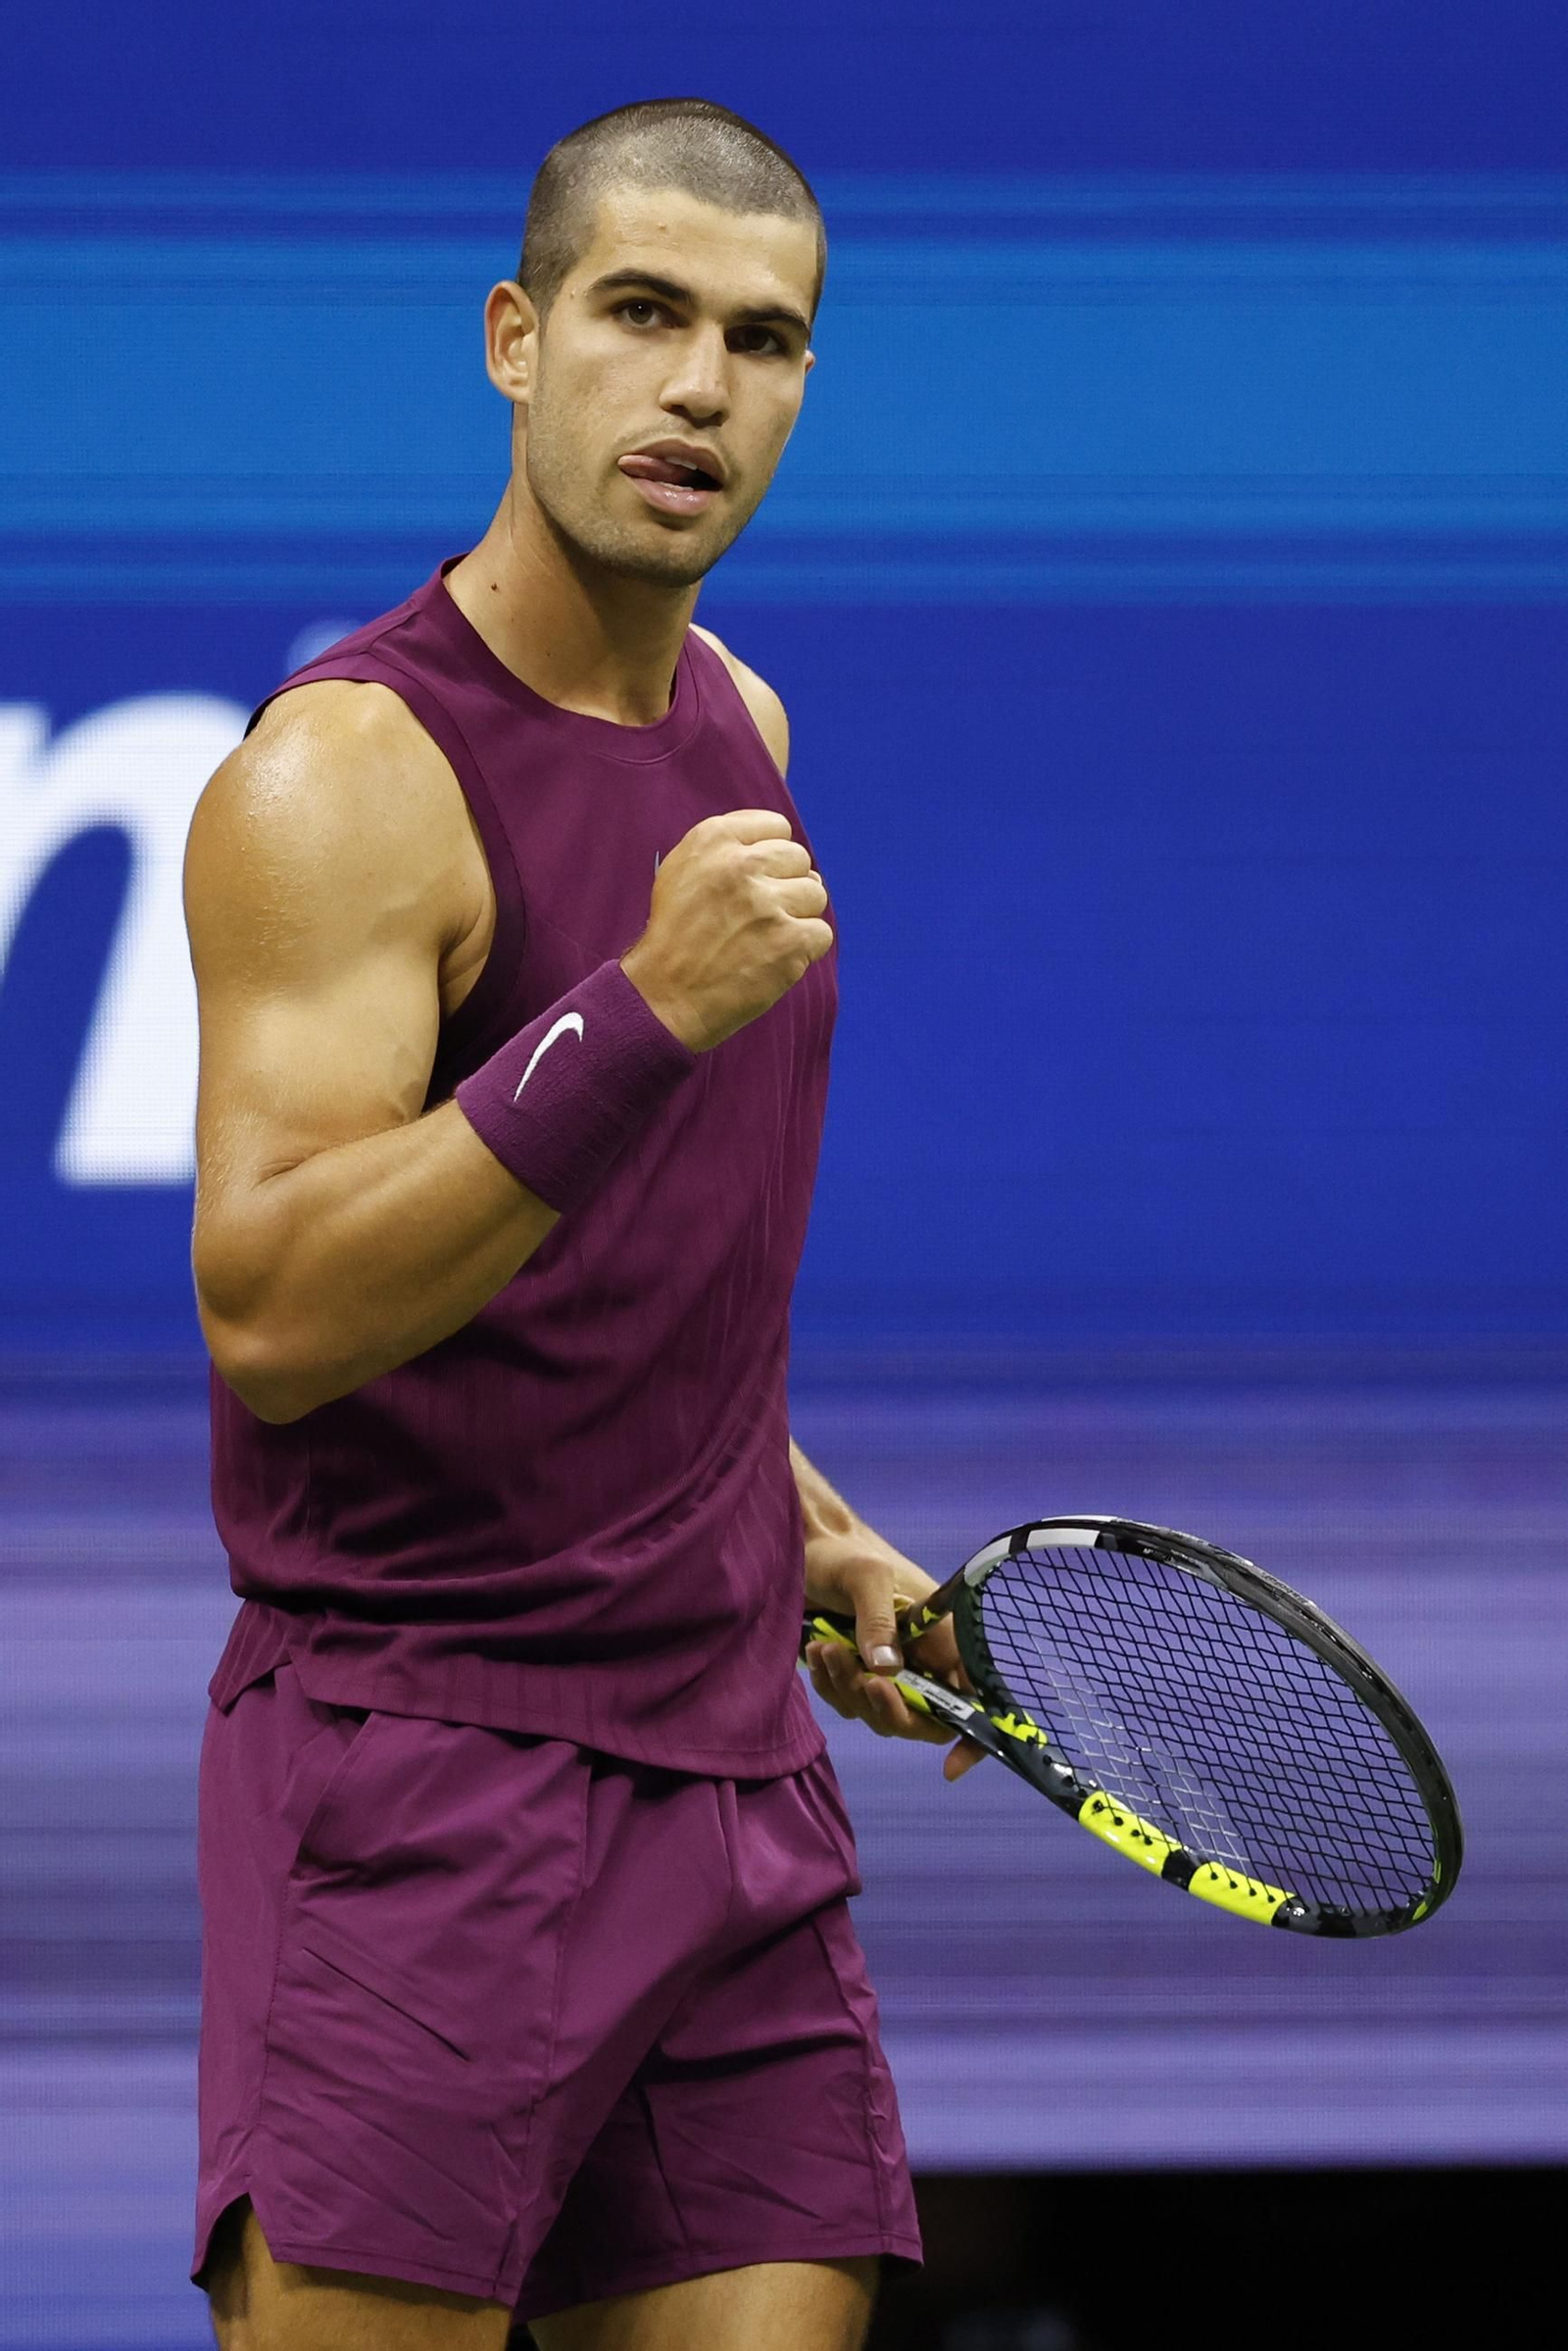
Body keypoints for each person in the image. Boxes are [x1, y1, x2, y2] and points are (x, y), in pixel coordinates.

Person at [183, 96, 978, 2351]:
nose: (699, 386)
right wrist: (633, 1012)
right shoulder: (343, 776)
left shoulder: (742, 719)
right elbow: (271, 1304)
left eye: (762, 338)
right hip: (428, 1778)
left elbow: (651, 1278)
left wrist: (795, 1524)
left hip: (735, 1777)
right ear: (519, 340)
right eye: (642, 315)